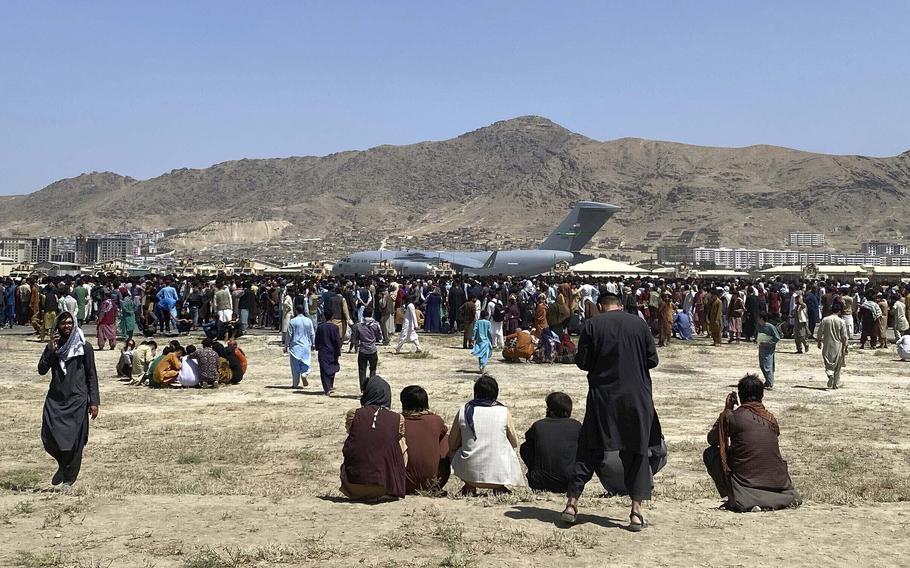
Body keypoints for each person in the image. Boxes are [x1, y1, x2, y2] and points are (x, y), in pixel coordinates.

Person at [563, 293, 660, 532]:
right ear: (620, 305)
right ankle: (636, 511)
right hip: (636, 397)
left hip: (602, 397)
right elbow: (652, 360)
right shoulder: (639, 323)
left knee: (589, 448)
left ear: (599, 306)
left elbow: (583, 362)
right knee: (636, 451)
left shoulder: (592, 324)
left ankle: (572, 504)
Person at [703, 374, 801, 512]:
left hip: (747, 481)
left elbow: (712, 440)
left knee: (710, 453)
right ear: (762, 395)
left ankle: (734, 497)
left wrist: (726, 411)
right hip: (778, 483)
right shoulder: (770, 418)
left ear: (740, 396)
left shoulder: (733, 416)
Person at [37, 312, 100, 493]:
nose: (67, 325)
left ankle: (68, 480)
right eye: (63, 322)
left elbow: (91, 375)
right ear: (58, 325)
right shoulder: (54, 346)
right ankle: (61, 463)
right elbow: (41, 370)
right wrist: (51, 349)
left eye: (69, 322)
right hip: (56, 398)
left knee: (75, 442)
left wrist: (94, 401)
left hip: (77, 399)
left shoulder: (84, 347)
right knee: (49, 436)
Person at [449, 375, 526, 496]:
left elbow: (452, 443)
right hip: (498, 476)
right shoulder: (503, 411)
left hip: (469, 475)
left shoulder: (464, 410)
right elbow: (514, 442)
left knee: (452, 450)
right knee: (507, 448)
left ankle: (469, 486)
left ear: (475, 392)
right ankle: (499, 487)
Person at [340, 375, 407, 500]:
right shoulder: (398, 418)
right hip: (385, 487)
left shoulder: (354, 414)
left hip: (354, 486)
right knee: (401, 442)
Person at [520, 392, 582, 493]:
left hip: (539, 482)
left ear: (551, 411)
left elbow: (526, 447)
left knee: (525, 446)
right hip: (570, 482)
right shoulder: (577, 426)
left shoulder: (538, 426)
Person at [400, 385, 450, 494]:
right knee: (445, 438)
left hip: (403, 483)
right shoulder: (436, 420)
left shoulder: (397, 422)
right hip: (434, 483)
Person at [816, 303, 849, 389]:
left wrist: (819, 341)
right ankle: (836, 384)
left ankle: (830, 375)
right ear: (839, 311)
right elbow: (844, 336)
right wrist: (846, 346)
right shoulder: (841, 321)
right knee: (838, 366)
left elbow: (819, 332)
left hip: (827, 345)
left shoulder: (825, 320)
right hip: (838, 345)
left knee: (828, 363)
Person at [286, 304, 315, 388]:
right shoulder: (308, 321)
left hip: (295, 347)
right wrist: (313, 344)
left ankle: (295, 384)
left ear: (296, 311)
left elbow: (289, 335)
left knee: (295, 367)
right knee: (306, 363)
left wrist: (286, 345)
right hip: (306, 346)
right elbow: (312, 334)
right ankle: (305, 373)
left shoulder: (292, 321)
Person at [351, 315, 383, 391]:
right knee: (373, 370)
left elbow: (355, 338)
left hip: (362, 350)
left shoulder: (359, 325)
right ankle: (371, 388)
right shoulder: (376, 325)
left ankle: (363, 389)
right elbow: (380, 337)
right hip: (372, 350)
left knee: (362, 370)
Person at [314, 317, 342, 395]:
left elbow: (317, 339)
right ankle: (330, 386)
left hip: (323, 351)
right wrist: (338, 351)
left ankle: (327, 388)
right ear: (332, 317)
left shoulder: (320, 327)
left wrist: (317, 347)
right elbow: (337, 340)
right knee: (332, 367)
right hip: (333, 351)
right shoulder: (335, 327)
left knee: (323, 370)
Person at [755, 312, 781, 389]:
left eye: (758, 318)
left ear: (762, 318)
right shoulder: (759, 326)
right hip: (761, 348)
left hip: (768, 349)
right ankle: (767, 381)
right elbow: (757, 334)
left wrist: (768, 343)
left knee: (768, 365)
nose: (757, 319)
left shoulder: (770, 327)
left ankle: (770, 383)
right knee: (762, 365)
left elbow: (777, 337)